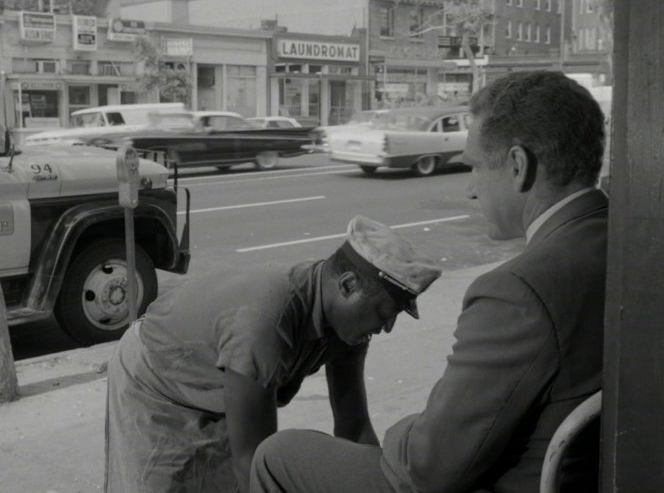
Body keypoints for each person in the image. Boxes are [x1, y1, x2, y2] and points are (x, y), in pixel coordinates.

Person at [250, 70, 608, 493]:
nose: (471, 191)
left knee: (278, 454)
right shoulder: (627, 243)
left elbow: (430, 467)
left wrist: (407, 429)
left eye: (474, 167)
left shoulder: (518, 290)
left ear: (518, 166)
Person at [104, 215, 442, 493]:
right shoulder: (264, 324)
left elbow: (353, 426)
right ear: (348, 285)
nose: (386, 329)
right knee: (167, 484)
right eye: (384, 313)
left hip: (222, 377)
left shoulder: (349, 328)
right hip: (155, 381)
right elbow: (254, 459)